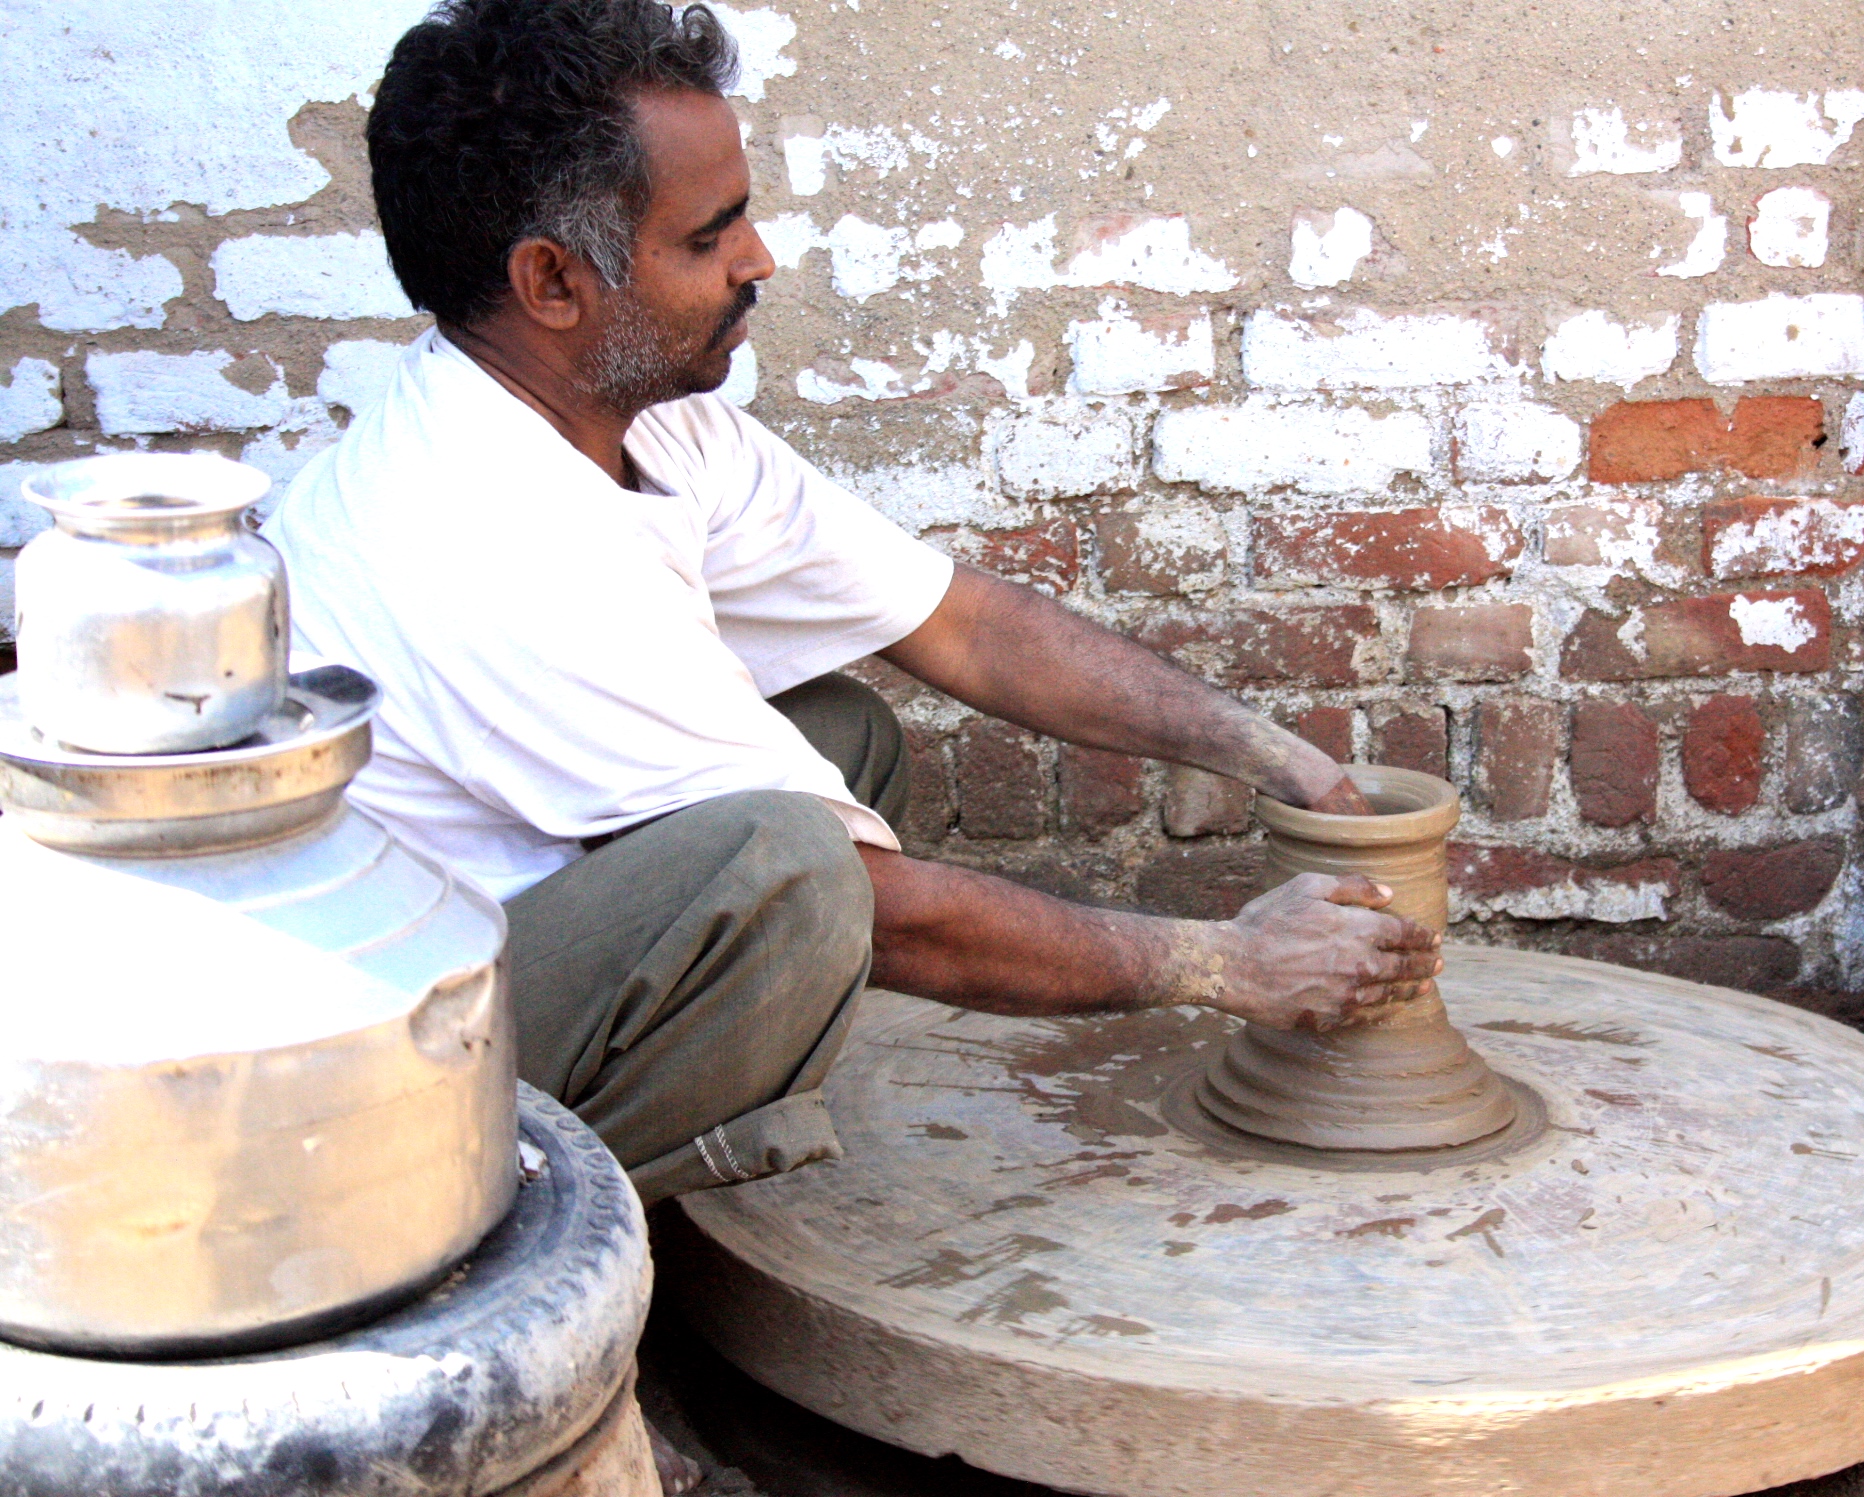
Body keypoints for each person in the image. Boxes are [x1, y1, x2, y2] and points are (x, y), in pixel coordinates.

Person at [267, 0, 1441, 1206]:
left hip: (490, 944)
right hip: (355, 1107)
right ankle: (556, 1243)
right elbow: (885, 912)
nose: (757, 259)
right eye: (709, 234)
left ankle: (693, 1135)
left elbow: (958, 625)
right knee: (796, 867)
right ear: (553, 281)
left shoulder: (643, 420)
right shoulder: (486, 533)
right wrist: (1226, 965)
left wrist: (1276, 758)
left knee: (837, 733)